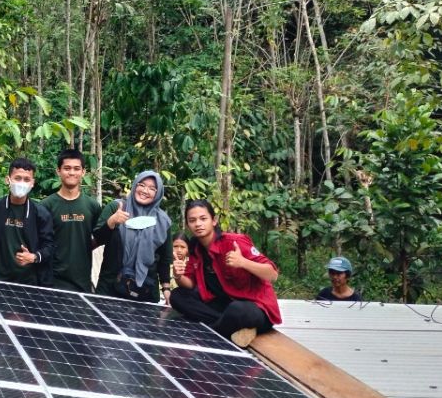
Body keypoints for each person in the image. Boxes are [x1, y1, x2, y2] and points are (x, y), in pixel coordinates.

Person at [170, 199, 281, 348]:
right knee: (177, 296)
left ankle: (211, 334)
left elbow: (272, 274)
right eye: (192, 220)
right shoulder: (196, 248)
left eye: (203, 219)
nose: (198, 224)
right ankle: (229, 326)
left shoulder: (234, 242)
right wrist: (177, 275)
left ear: (214, 221)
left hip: (254, 307)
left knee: (237, 310)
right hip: (223, 304)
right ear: (188, 224)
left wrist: (243, 262)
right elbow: (190, 284)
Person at [93, 171, 173, 302]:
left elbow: (164, 259)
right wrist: (112, 221)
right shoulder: (117, 207)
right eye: (141, 185)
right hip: (110, 287)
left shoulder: (163, 221)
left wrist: (166, 288)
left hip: (145, 290)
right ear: (135, 186)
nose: (145, 191)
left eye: (152, 188)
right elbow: (98, 237)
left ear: (158, 194)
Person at [0, 158, 55, 286]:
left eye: (26, 179)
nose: (21, 183)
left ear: (33, 183)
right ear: (8, 179)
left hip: (29, 283)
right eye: (17, 178)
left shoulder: (41, 213)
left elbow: (50, 246)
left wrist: (34, 257)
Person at [42, 149, 101, 292]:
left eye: (76, 169)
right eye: (67, 168)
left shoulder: (92, 206)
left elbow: (100, 236)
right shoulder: (46, 205)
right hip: (52, 279)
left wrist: (83, 246)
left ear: (83, 172)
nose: (72, 173)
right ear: (58, 171)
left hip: (82, 279)